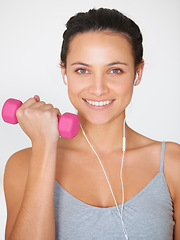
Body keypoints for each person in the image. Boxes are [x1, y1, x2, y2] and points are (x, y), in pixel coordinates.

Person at [3, 8, 180, 240]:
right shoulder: (23, 164)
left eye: (115, 70)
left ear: (138, 73)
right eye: (82, 70)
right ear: (64, 72)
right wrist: (44, 147)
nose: (98, 89)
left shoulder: (172, 164)